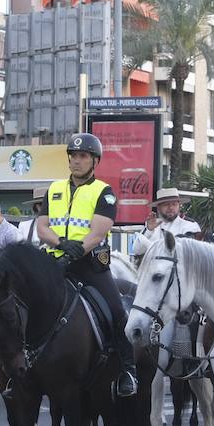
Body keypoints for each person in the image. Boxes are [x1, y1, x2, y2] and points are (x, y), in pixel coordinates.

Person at [38, 132, 138, 398]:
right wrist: (60, 244)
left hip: (90, 266)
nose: (77, 161)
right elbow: (41, 227)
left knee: (117, 312)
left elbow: (97, 232)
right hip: (56, 263)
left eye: (83, 156)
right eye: (73, 156)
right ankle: (21, 368)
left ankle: (128, 371)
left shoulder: (104, 192)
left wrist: (76, 251)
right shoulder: (55, 189)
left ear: (95, 161)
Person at [133, 188, 202, 257]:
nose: (171, 207)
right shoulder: (152, 225)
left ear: (179, 206)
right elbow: (137, 250)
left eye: (174, 204)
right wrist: (149, 230)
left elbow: (192, 254)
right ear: (158, 207)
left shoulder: (190, 226)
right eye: (166, 204)